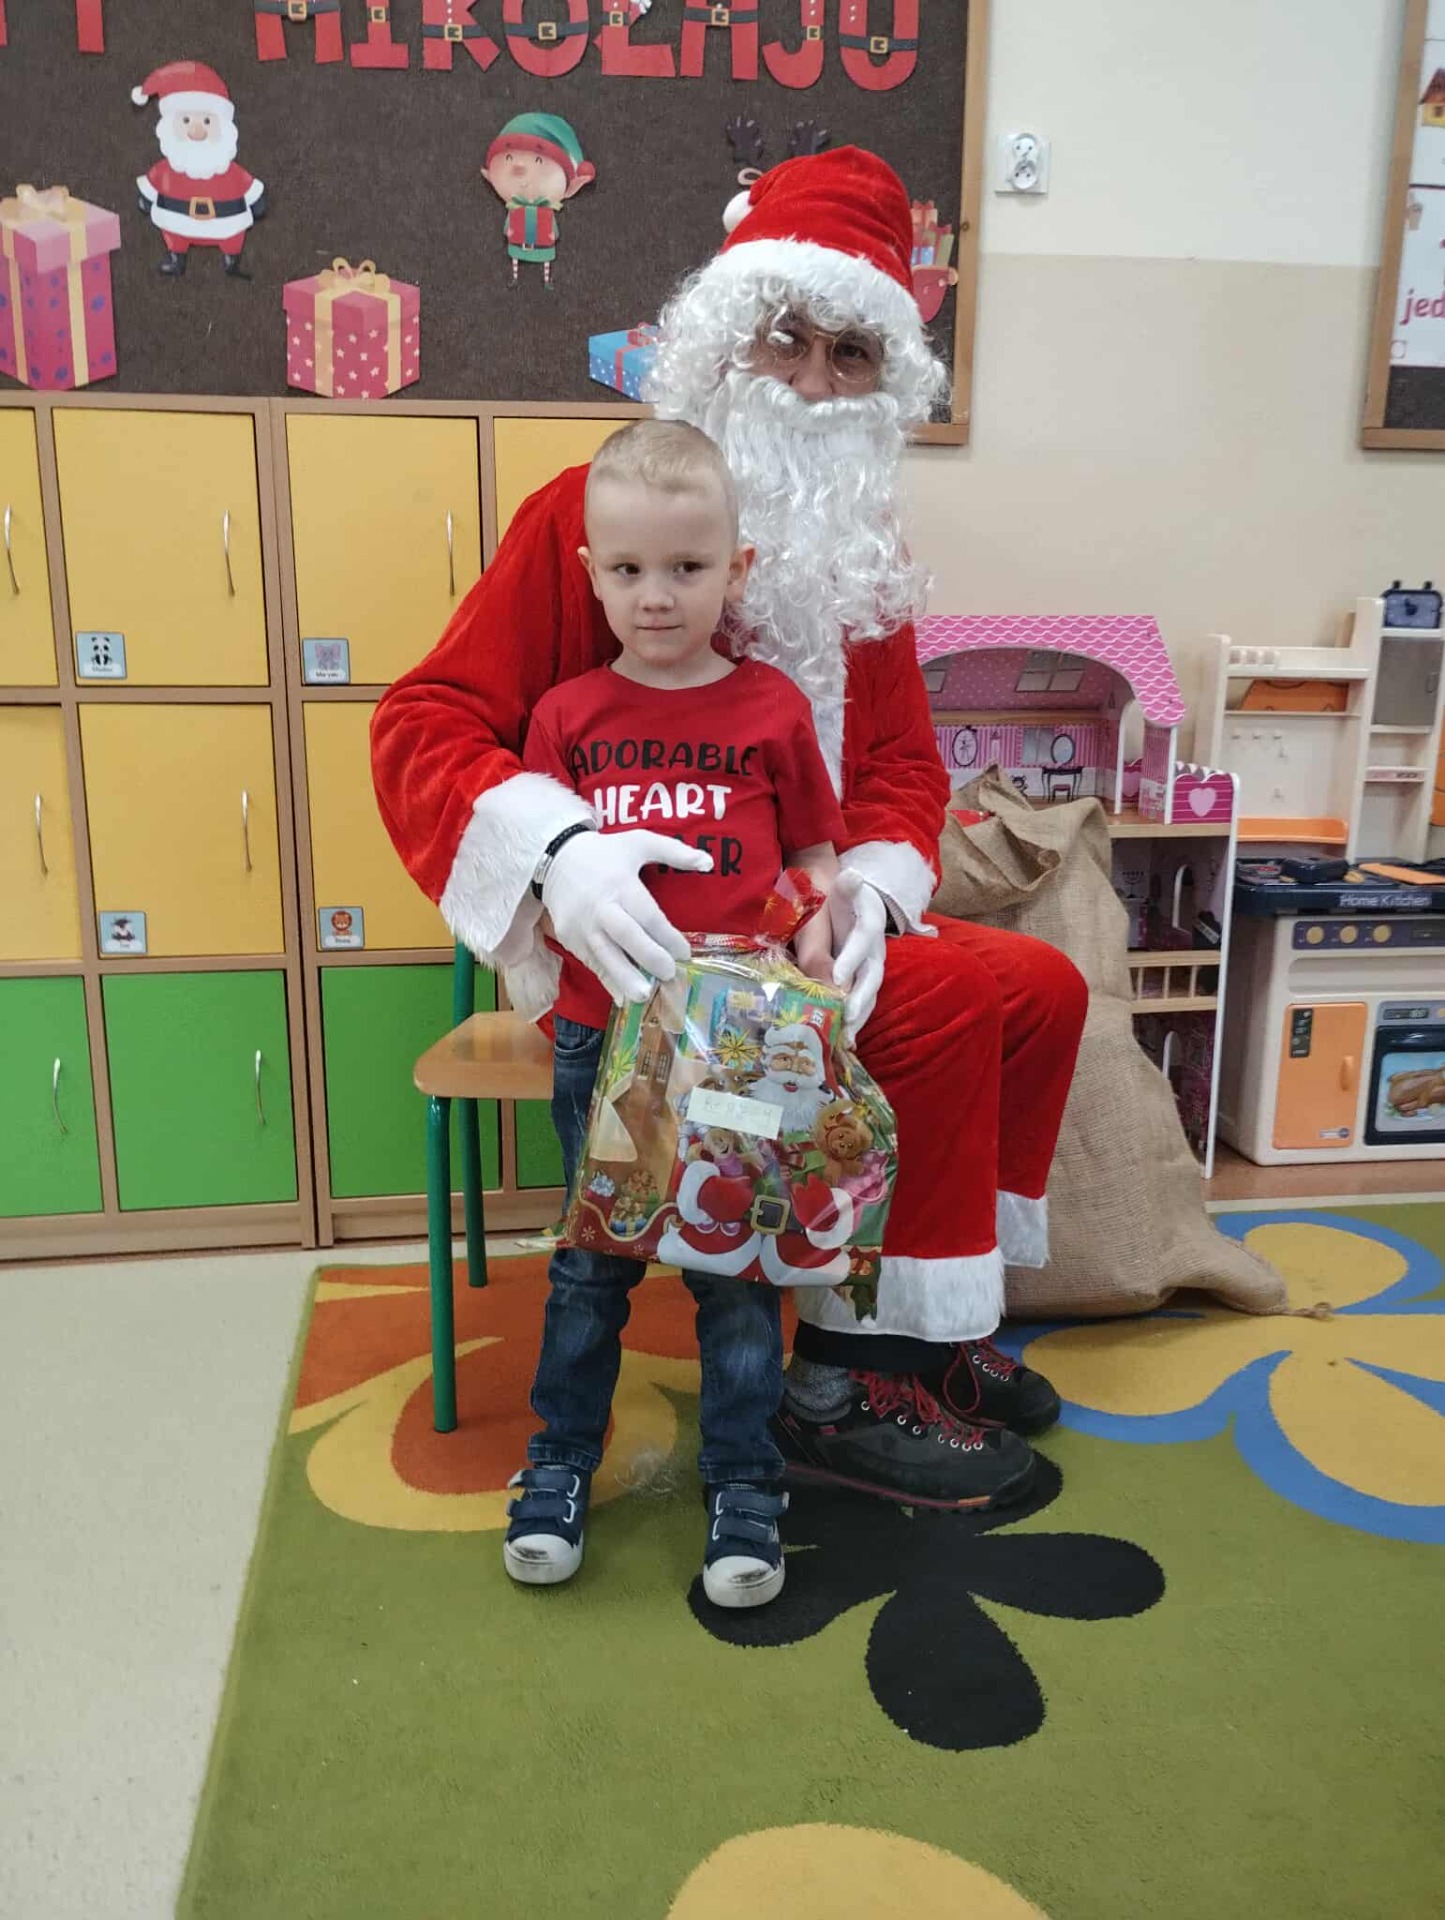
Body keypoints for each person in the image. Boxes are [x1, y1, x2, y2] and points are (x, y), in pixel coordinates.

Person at [372, 145, 1088, 1514]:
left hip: (793, 919)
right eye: (785, 338)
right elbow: (426, 722)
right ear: (721, 341)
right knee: (942, 1006)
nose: (813, 382)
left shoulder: (855, 544)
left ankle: (927, 1329)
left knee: (1041, 989)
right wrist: (561, 855)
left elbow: (899, 767)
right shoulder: (595, 519)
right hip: (649, 953)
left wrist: (870, 893)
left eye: (850, 353)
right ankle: (838, 1390)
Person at [505, 418, 845, 1608]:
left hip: (737, 1047)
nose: (656, 595)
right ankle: (557, 1462)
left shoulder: (771, 708)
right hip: (603, 1043)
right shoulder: (564, 716)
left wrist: (814, 928)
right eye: (629, 568)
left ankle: (744, 1484)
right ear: (591, 573)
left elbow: (813, 852)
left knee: (736, 1269)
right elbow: (535, 870)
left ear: (735, 571)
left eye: (687, 567)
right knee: (590, 1269)